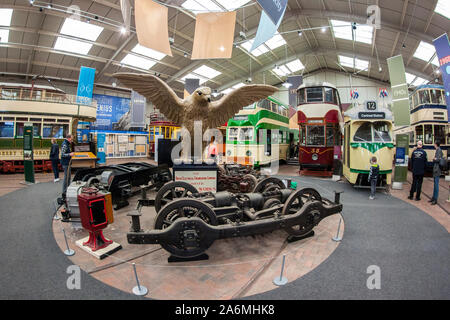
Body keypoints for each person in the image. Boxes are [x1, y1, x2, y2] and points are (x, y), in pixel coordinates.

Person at [60, 134, 74, 198]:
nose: (72, 140)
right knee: (66, 177)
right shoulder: (65, 144)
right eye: (71, 139)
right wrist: (70, 154)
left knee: (68, 177)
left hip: (67, 163)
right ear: (68, 138)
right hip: (65, 163)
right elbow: (62, 154)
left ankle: (67, 190)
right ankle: (64, 191)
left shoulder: (67, 144)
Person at [430, 140, 443, 205]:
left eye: (434, 143)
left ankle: (435, 199)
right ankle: (433, 197)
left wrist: (434, 159)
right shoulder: (438, 150)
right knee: (435, 184)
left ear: (436, 144)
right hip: (436, 169)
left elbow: (438, 159)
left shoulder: (439, 150)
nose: (433, 145)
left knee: (436, 184)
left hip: (437, 169)